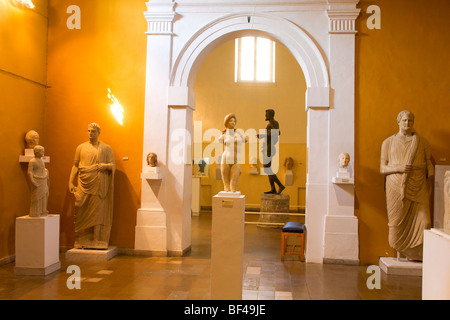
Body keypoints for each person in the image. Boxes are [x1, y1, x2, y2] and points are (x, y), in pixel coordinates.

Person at [380, 110, 434, 261]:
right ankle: (400, 247)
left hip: (418, 184)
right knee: (396, 222)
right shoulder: (388, 142)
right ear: (398, 122)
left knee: (425, 221)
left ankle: (417, 252)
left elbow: (428, 162)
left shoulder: (422, 142)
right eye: (404, 120)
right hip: (395, 186)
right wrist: (399, 168)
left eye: (410, 121)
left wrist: (431, 172)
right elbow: (382, 168)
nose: (407, 123)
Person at [69, 123, 115, 249]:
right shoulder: (81, 147)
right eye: (89, 131)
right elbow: (75, 165)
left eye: (93, 131)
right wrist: (70, 181)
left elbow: (112, 165)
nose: (90, 133)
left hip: (99, 184)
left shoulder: (106, 148)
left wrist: (104, 166)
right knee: (80, 208)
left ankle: (96, 239)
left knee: (97, 211)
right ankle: (80, 239)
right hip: (83, 182)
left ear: (98, 132)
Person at [257, 109, 285, 194]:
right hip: (267, 147)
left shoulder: (274, 122)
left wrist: (262, 135)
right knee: (267, 168)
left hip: (270, 148)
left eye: (267, 114)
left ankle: (280, 185)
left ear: (270, 115)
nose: (265, 116)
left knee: (267, 168)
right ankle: (273, 188)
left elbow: (277, 132)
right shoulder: (271, 123)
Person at [219, 113, 248, 192]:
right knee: (226, 186)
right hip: (225, 159)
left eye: (234, 121)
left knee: (233, 187)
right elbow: (219, 139)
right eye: (231, 121)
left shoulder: (238, 134)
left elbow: (245, 140)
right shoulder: (223, 136)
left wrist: (239, 132)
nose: (233, 122)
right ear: (227, 123)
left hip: (236, 160)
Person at [28, 145, 49, 217]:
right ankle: (35, 212)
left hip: (43, 179)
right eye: (42, 151)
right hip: (37, 180)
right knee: (36, 196)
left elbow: (43, 169)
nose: (43, 152)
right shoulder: (32, 161)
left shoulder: (41, 161)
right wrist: (32, 180)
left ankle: (42, 210)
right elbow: (30, 172)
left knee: (44, 195)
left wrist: (46, 173)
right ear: (37, 152)